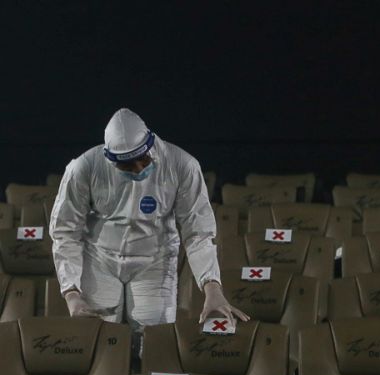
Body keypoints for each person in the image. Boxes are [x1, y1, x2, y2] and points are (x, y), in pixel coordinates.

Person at [49, 108, 246, 333]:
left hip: (155, 262)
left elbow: (198, 233)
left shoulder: (182, 165)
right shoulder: (83, 167)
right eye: (127, 165)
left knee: (153, 341)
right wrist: (72, 293)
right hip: (99, 260)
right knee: (97, 337)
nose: (138, 169)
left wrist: (213, 288)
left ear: (150, 143)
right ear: (109, 159)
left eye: (142, 159)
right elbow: (65, 231)